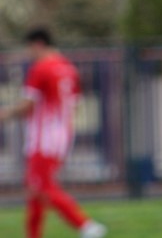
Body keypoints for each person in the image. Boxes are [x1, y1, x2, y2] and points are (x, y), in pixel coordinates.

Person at [0, 27, 107, 238]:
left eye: (29, 48)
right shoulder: (68, 68)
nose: (28, 54)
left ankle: (87, 226)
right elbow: (75, 105)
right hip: (62, 135)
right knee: (34, 187)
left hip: (43, 138)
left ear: (38, 44)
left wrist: (5, 114)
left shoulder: (41, 68)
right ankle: (33, 235)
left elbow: (28, 105)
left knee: (42, 186)